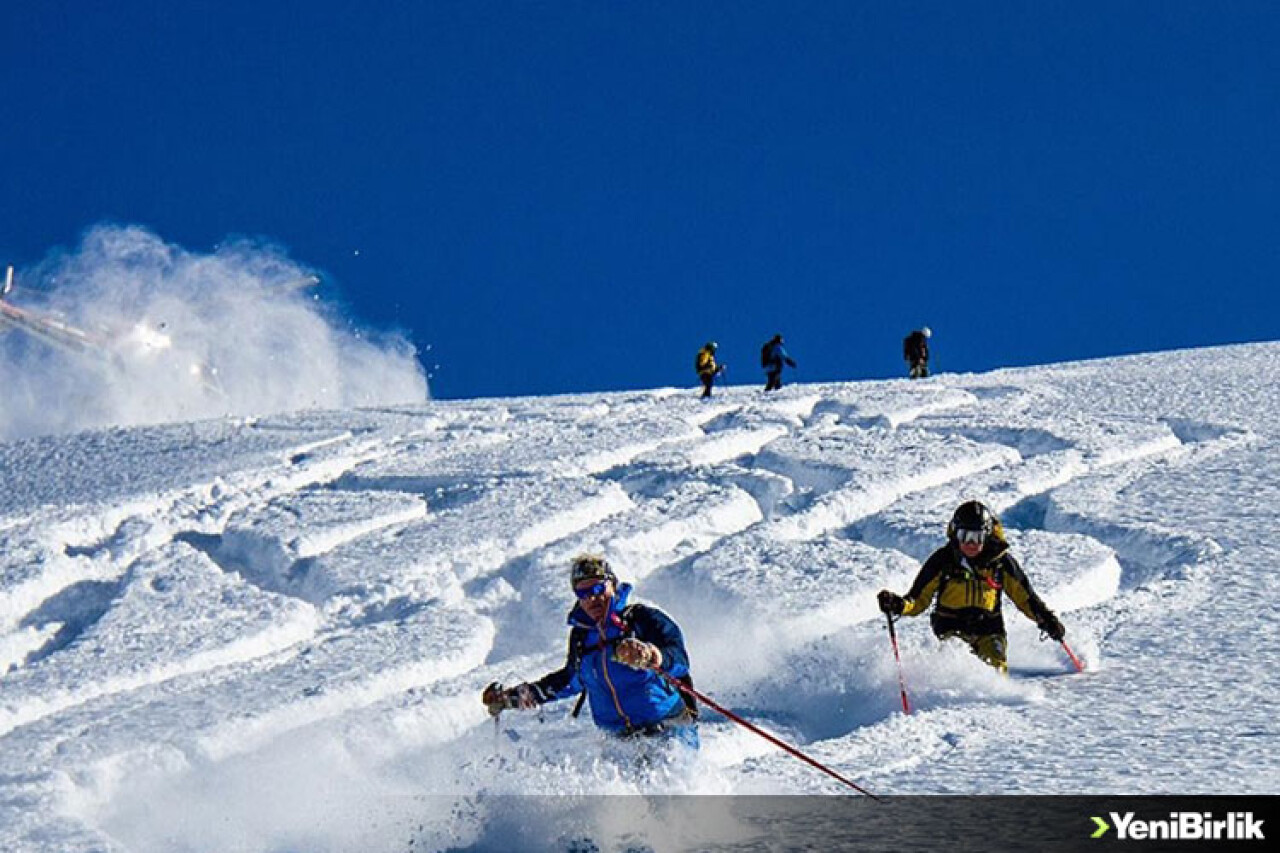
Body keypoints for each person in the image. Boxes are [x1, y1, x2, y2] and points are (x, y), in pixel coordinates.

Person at [482, 554, 698, 745]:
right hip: (620, 743)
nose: (591, 598)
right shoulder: (582, 636)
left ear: (612, 585)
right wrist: (515, 697)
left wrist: (653, 655)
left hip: (669, 733)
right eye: (582, 593)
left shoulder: (642, 619)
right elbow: (572, 679)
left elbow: (679, 660)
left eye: (597, 589)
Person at [876, 501, 1065, 673]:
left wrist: (1046, 619)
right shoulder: (943, 560)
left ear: (987, 535)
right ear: (955, 534)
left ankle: (994, 706)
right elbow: (917, 600)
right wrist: (897, 605)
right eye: (964, 536)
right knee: (957, 669)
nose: (971, 543)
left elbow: (1025, 597)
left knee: (995, 668)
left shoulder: (1000, 563)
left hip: (989, 629)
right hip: (950, 628)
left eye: (977, 537)